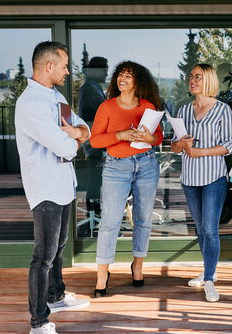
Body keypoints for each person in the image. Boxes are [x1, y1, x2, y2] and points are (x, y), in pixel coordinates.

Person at [15, 41, 91, 334]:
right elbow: (67, 147)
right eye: (63, 66)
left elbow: (84, 128)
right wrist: (76, 138)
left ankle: (55, 296)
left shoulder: (55, 96)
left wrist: (78, 133)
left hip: (63, 184)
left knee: (58, 248)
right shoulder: (31, 104)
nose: (67, 71)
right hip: (45, 187)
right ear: (49, 66)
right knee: (43, 256)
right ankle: (39, 321)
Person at [90, 61, 163, 297]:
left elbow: (158, 138)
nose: (123, 78)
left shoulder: (148, 106)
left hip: (146, 164)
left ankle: (138, 267)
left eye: (129, 75)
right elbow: (95, 141)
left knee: (143, 220)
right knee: (110, 222)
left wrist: (148, 136)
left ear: (137, 82)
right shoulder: (107, 107)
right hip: (116, 167)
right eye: (121, 74)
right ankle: (102, 274)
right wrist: (120, 134)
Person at [171, 64, 232, 302]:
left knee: (210, 229)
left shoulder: (222, 110)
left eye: (197, 77)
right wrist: (182, 145)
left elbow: (229, 144)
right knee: (199, 229)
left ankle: (209, 279)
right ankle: (209, 270)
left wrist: (202, 151)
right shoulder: (184, 110)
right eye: (191, 77)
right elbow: (174, 145)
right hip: (190, 178)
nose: (192, 80)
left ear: (208, 80)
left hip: (213, 178)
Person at [77, 56, 109, 216]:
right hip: (94, 141)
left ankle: (94, 214)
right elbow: (100, 114)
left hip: (94, 141)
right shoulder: (90, 89)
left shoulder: (92, 87)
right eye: (104, 69)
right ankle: (93, 215)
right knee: (95, 179)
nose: (106, 73)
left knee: (95, 179)